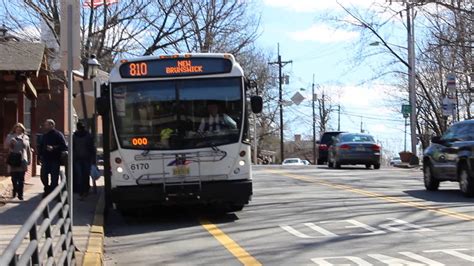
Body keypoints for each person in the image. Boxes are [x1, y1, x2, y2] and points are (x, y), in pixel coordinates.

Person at [38, 119, 67, 197]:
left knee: (54, 177)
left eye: (46, 124)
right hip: (45, 159)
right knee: (43, 175)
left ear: (52, 125)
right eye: (45, 124)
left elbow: (64, 146)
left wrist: (53, 148)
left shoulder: (58, 134)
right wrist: (39, 156)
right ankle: (47, 188)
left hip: (55, 159)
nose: (45, 126)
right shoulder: (44, 135)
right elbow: (40, 146)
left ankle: (54, 193)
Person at [4, 123, 31, 200]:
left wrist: (29, 159)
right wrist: (10, 143)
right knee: (14, 178)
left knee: (21, 178)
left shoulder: (25, 137)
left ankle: (20, 194)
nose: (18, 130)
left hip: (22, 159)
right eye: (17, 128)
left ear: (23, 129)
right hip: (13, 159)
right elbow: (5, 146)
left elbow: (28, 149)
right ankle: (15, 189)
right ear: (14, 129)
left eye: (20, 129)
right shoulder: (10, 136)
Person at [73, 121, 96, 200]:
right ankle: (83, 191)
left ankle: (84, 191)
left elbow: (91, 148)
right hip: (82, 159)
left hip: (83, 159)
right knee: (83, 176)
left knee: (83, 175)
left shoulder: (77, 136)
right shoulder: (86, 136)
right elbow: (92, 148)